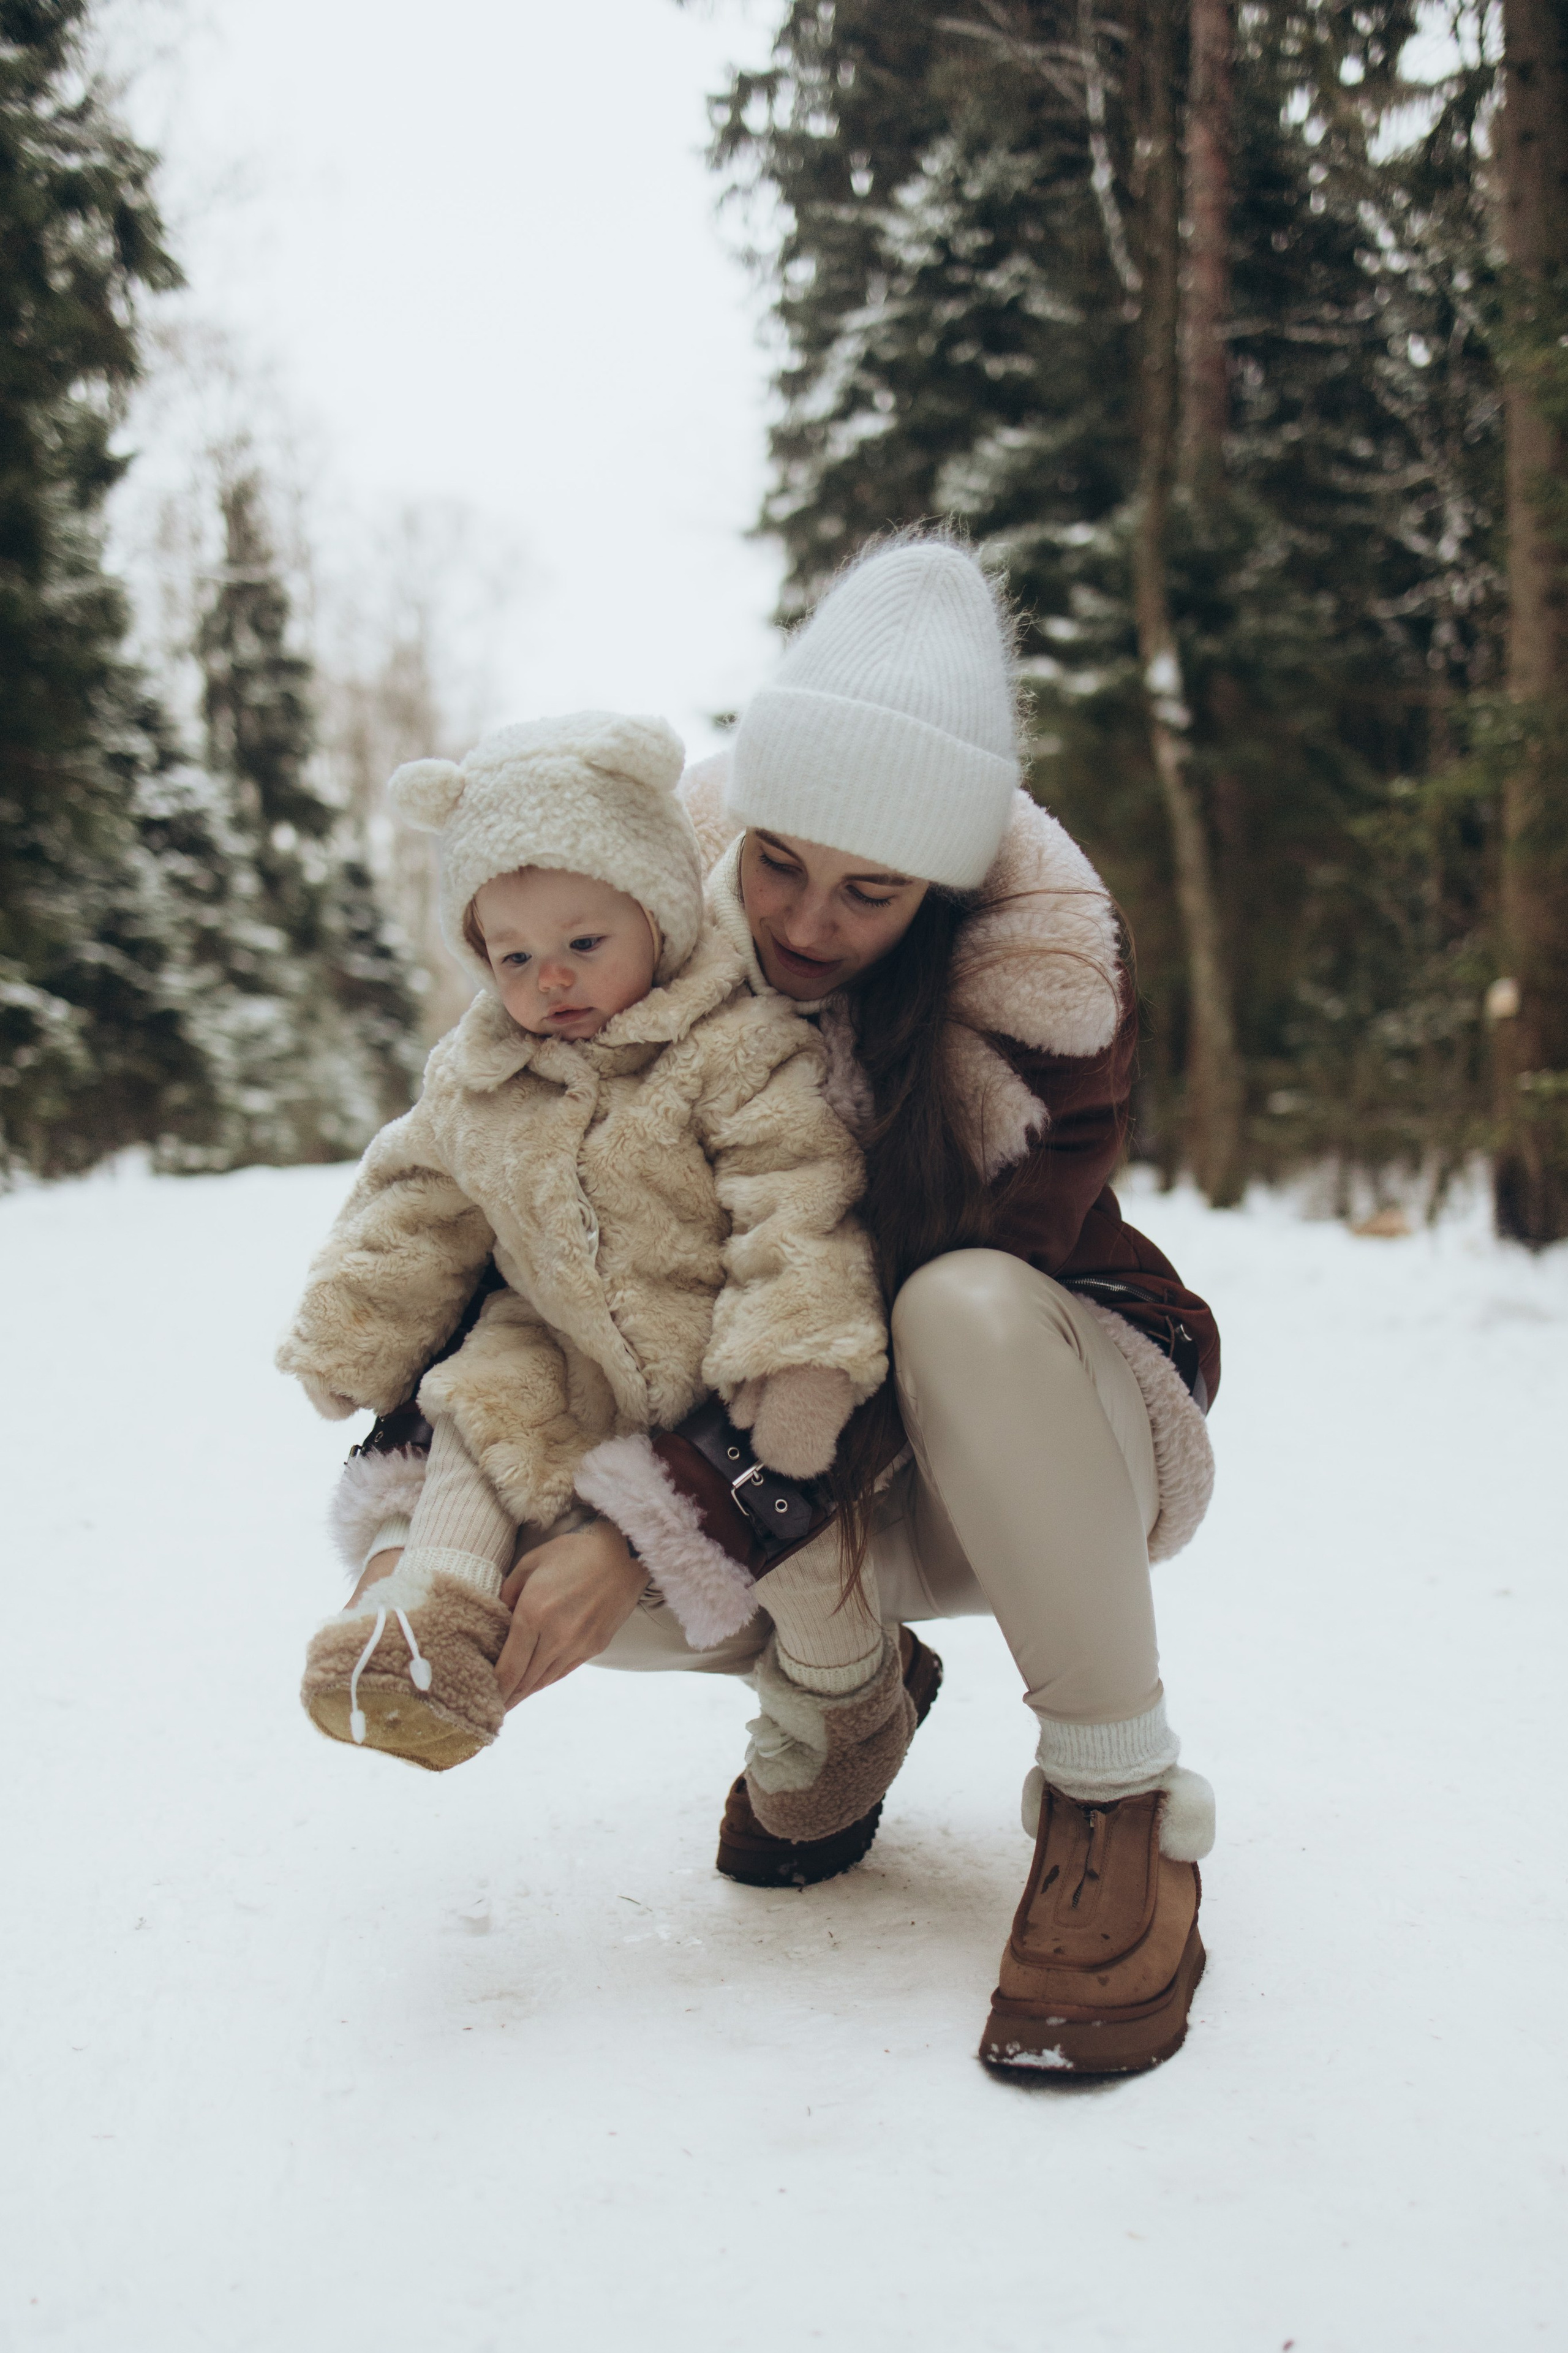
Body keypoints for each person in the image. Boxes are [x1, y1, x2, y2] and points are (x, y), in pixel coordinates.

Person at [326, 537, 1223, 2079]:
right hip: (783, 1454)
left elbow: (859, 1320)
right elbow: (511, 1245)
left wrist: (654, 1526)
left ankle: (1114, 1792)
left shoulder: (1037, 997)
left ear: (939, 889)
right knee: (525, 1561)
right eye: (775, 864)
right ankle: (843, 1685)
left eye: (869, 891)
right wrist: (424, 1525)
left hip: (1031, 1435)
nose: (804, 922)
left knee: (951, 1302)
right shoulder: (634, 931)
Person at [278, 709, 888, 1773]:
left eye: (582, 944)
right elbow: (412, 1199)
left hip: (714, 1361)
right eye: (512, 954)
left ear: (658, 913)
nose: (547, 979)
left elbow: (797, 1197)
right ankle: (433, 1631)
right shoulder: (480, 1074)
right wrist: (354, 1329)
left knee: (800, 1546)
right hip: (559, 1345)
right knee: (479, 1410)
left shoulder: (734, 1044)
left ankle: (847, 1701)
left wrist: (795, 1356)